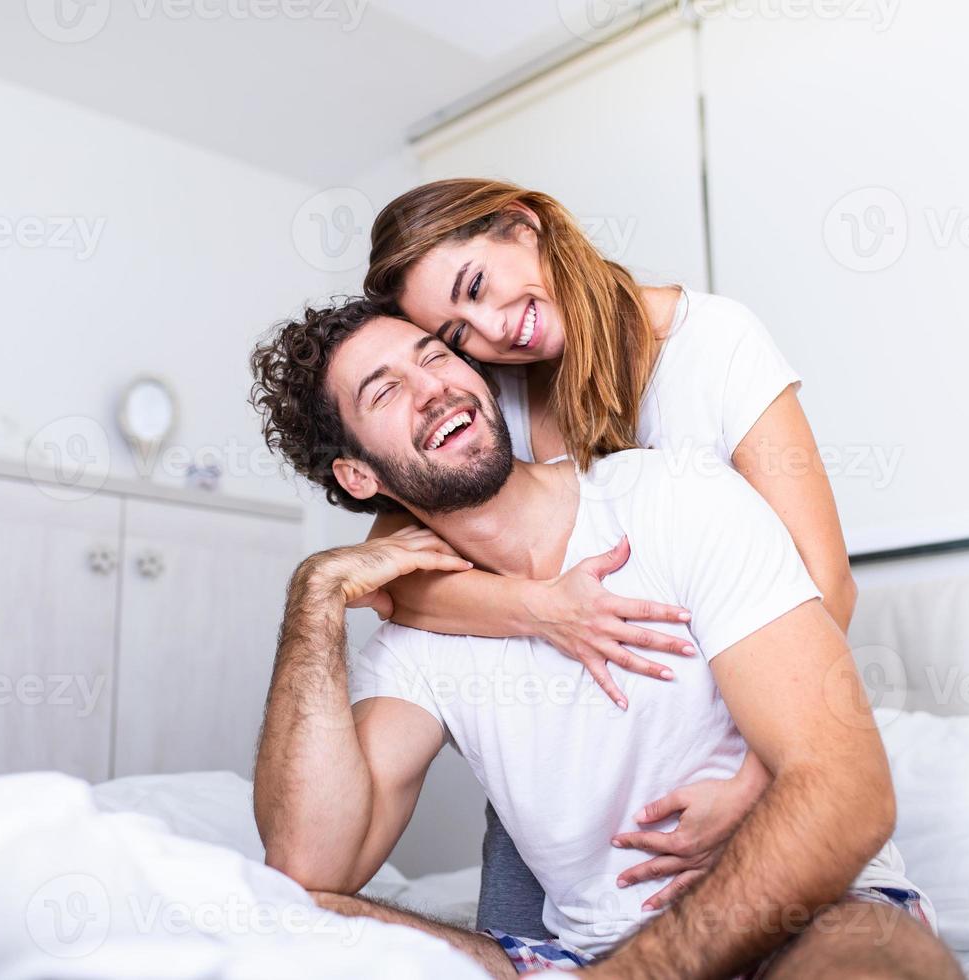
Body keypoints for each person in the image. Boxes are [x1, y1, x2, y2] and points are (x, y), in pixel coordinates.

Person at [247, 302, 960, 978]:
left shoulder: (673, 497)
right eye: (386, 391)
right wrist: (314, 602)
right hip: (590, 958)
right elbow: (309, 868)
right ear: (358, 475)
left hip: (809, 924)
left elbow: (849, 791)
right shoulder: (418, 637)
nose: (432, 388)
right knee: (301, 921)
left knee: (873, 961)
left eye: (434, 356)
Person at [362, 179, 858, 931]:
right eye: (456, 334)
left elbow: (827, 583)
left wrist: (761, 779)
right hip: (561, 809)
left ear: (522, 225)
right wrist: (544, 610)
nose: (493, 330)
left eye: (477, 286)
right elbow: (391, 580)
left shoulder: (714, 343)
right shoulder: (491, 401)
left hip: (731, 765)